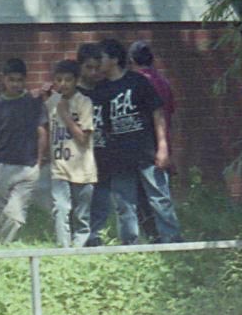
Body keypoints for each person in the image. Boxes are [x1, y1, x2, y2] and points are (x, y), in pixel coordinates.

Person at [93, 38, 181, 244]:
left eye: (101, 58)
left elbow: (158, 113)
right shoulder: (101, 89)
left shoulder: (137, 82)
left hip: (146, 153)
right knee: (124, 204)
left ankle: (173, 241)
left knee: (160, 198)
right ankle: (130, 245)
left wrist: (163, 147)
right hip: (119, 158)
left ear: (114, 59)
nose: (97, 63)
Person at [0, 57, 43, 244]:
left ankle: (5, 247)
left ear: (25, 80)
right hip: (2, 165)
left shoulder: (33, 101)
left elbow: (42, 131)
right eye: (11, 80)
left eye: (19, 80)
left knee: (15, 215)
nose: (15, 84)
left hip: (27, 167)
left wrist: (39, 162)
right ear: (4, 79)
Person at [43, 59, 97, 247]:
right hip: (60, 167)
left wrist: (65, 115)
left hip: (82, 168)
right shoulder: (53, 102)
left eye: (68, 80)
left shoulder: (84, 102)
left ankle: (79, 248)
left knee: (81, 215)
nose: (63, 84)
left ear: (76, 81)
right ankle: (63, 249)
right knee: (60, 208)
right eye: (59, 80)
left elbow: (83, 139)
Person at [129, 40, 176, 240]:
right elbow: (171, 111)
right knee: (159, 194)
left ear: (131, 60)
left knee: (142, 196)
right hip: (163, 143)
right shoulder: (163, 82)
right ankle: (165, 235)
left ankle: (156, 235)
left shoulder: (135, 83)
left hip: (144, 145)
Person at [75, 42, 111, 245]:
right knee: (80, 200)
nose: (94, 72)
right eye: (89, 67)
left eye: (98, 68)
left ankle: (95, 236)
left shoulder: (105, 90)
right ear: (80, 66)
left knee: (101, 198)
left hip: (102, 152)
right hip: (79, 156)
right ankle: (78, 236)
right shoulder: (73, 93)